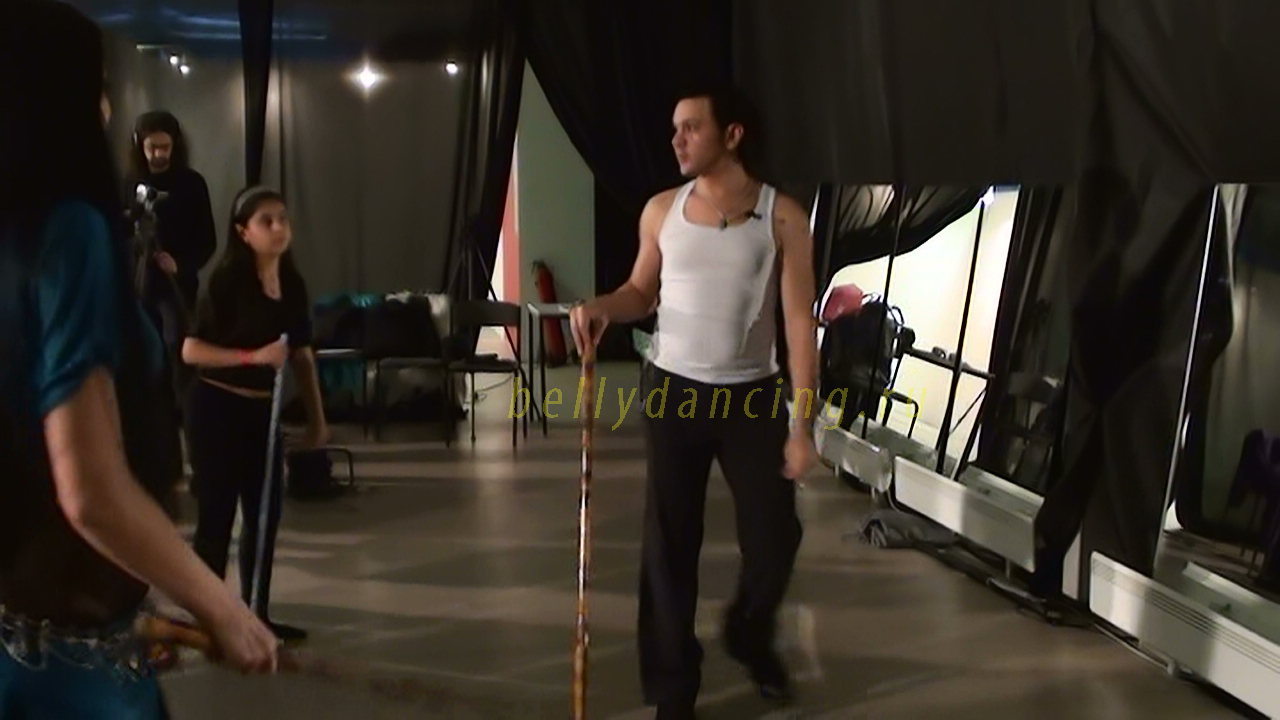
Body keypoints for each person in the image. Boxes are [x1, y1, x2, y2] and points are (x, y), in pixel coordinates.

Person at [0, 2, 279, 716]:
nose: (105, 108)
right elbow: (90, 489)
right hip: (67, 667)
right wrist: (221, 606)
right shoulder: (67, 232)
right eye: (97, 87)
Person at [570, 84, 819, 718]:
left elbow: (798, 323)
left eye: (691, 127)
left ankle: (749, 635)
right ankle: (672, 690)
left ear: (731, 135)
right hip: (674, 391)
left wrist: (803, 424)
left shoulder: (783, 216)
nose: (676, 139)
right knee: (669, 544)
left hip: (753, 398)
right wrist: (601, 307)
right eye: (675, 127)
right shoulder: (662, 210)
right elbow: (639, 292)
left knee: (776, 538)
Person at [182, 185, 330, 643]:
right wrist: (252, 357)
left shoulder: (293, 285)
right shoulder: (226, 281)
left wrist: (318, 421)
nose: (279, 227)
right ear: (243, 232)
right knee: (217, 519)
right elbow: (191, 350)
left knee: (265, 517)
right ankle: (209, 620)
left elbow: (301, 355)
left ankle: (256, 613)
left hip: (263, 415)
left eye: (283, 219)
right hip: (216, 409)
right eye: (267, 221)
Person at [128, 110, 217, 400]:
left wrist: (180, 264)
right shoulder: (129, 183)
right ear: (139, 145)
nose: (158, 154)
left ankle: (180, 407)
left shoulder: (192, 184)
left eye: (164, 147)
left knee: (175, 345)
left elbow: (207, 241)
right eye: (152, 147)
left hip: (176, 288)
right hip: (136, 285)